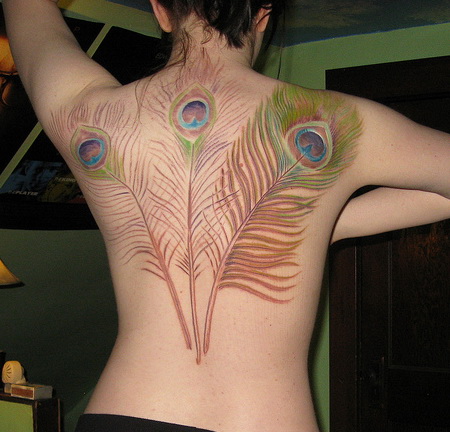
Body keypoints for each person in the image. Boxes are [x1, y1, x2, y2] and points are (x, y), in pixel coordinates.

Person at [4, 0, 450, 431]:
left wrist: (325, 223)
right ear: (263, 14)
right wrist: (326, 222)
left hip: (129, 413)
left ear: (160, 9)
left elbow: (26, 8)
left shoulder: (89, 114)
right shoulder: (335, 123)